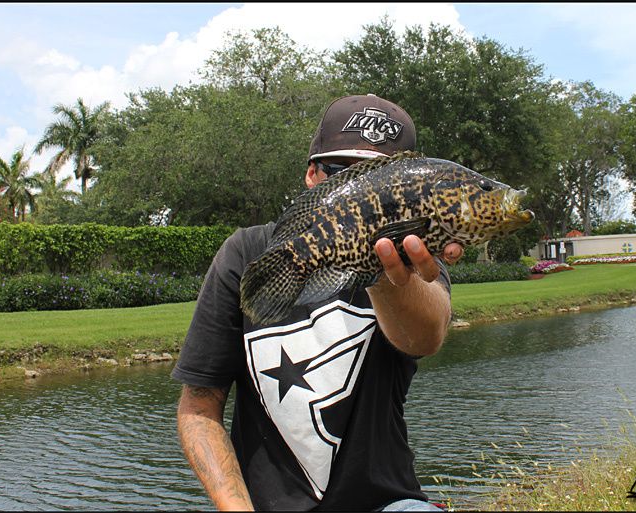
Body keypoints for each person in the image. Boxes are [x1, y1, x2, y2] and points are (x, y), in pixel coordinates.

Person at [172, 94, 464, 511]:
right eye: (344, 173)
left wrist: (379, 266)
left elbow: (425, 337)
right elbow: (199, 408)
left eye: (384, 180)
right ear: (312, 175)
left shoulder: (416, 259)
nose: (366, 193)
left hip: (388, 505)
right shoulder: (245, 252)